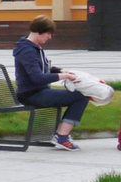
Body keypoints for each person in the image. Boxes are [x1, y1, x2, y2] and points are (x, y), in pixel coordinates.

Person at [15, 15, 90, 151]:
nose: (49, 37)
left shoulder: (33, 47)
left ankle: (62, 135)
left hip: (37, 92)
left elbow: (44, 67)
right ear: (38, 32)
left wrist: (61, 70)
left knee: (81, 94)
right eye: (48, 33)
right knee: (81, 96)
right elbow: (37, 77)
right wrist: (63, 76)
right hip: (31, 94)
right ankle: (62, 137)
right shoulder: (27, 51)